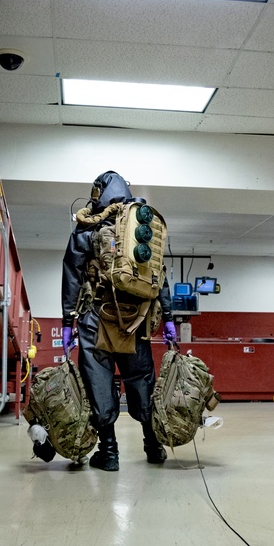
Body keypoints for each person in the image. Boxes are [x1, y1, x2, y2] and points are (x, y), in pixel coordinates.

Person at [61, 171, 177, 471]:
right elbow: (158, 275)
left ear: (98, 193)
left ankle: (109, 453)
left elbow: (72, 275)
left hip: (95, 320)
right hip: (136, 322)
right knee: (141, 382)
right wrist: (169, 318)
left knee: (99, 383)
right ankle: (153, 447)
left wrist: (66, 320)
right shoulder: (143, 231)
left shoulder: (86, 230)